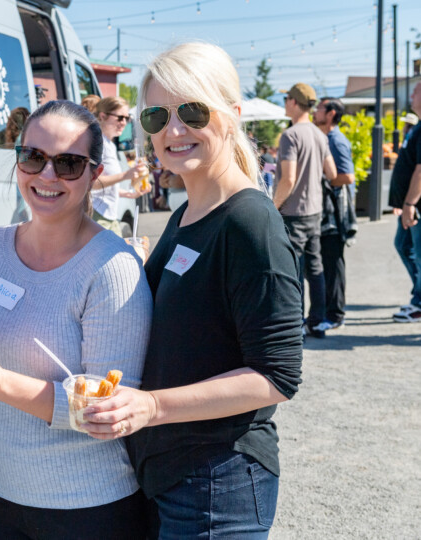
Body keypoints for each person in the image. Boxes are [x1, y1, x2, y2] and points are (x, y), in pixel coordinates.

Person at [83, 42, 304, 539]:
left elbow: (277, 376)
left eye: (192, 111)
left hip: (216, 483)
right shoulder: (187, 214)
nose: (173, 130)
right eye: (157, 115)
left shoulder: (249, 221)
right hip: (172, 473)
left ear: (232, 115)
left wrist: (152, 406)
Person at [0, 100, 153, 538]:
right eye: (33, 157)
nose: (47, 176)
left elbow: (106, 411)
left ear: (94, 172)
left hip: (89, 506)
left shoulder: (113, 267)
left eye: (68, 163)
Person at [272, 82, 338, 338]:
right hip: (314, 210)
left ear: (294, 102)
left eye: (287, 97)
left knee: (293, 270)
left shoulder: (291, 135)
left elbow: (288, 179)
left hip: (293, 212)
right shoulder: (319, 135)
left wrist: (273, 205)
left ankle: (295, 322)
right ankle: (318, 320)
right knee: (315, 267)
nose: (285, 102)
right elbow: (331, 173)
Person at [313, 97, 357, 331]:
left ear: (330, 114)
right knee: (326, 265)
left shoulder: (336, 140)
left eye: (319, 108)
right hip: (326, 214)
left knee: (333, 265)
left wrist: (321, 176)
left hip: (334, 215)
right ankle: (329, 312)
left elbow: (348, 177)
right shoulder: (325, 138)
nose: (315, 111)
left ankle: (335, 314)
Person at [91, 96, 151, 235]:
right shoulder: (95, 144)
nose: (124, 122)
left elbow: (103, 188)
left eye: (127, 118)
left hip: (108, 215)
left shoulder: (109, 144)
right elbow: (90, 184)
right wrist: (126, 175)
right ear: (103, 116)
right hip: (97, 215)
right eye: (120, 118)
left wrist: (128, 194)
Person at [388, 82, 421, 323]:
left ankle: (419, 302)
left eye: (416, 91)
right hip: (410, 205)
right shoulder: (417, 127)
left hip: (416, 206)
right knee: (403, 245)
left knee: (417, 253)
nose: (411, 95)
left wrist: (410, 204)